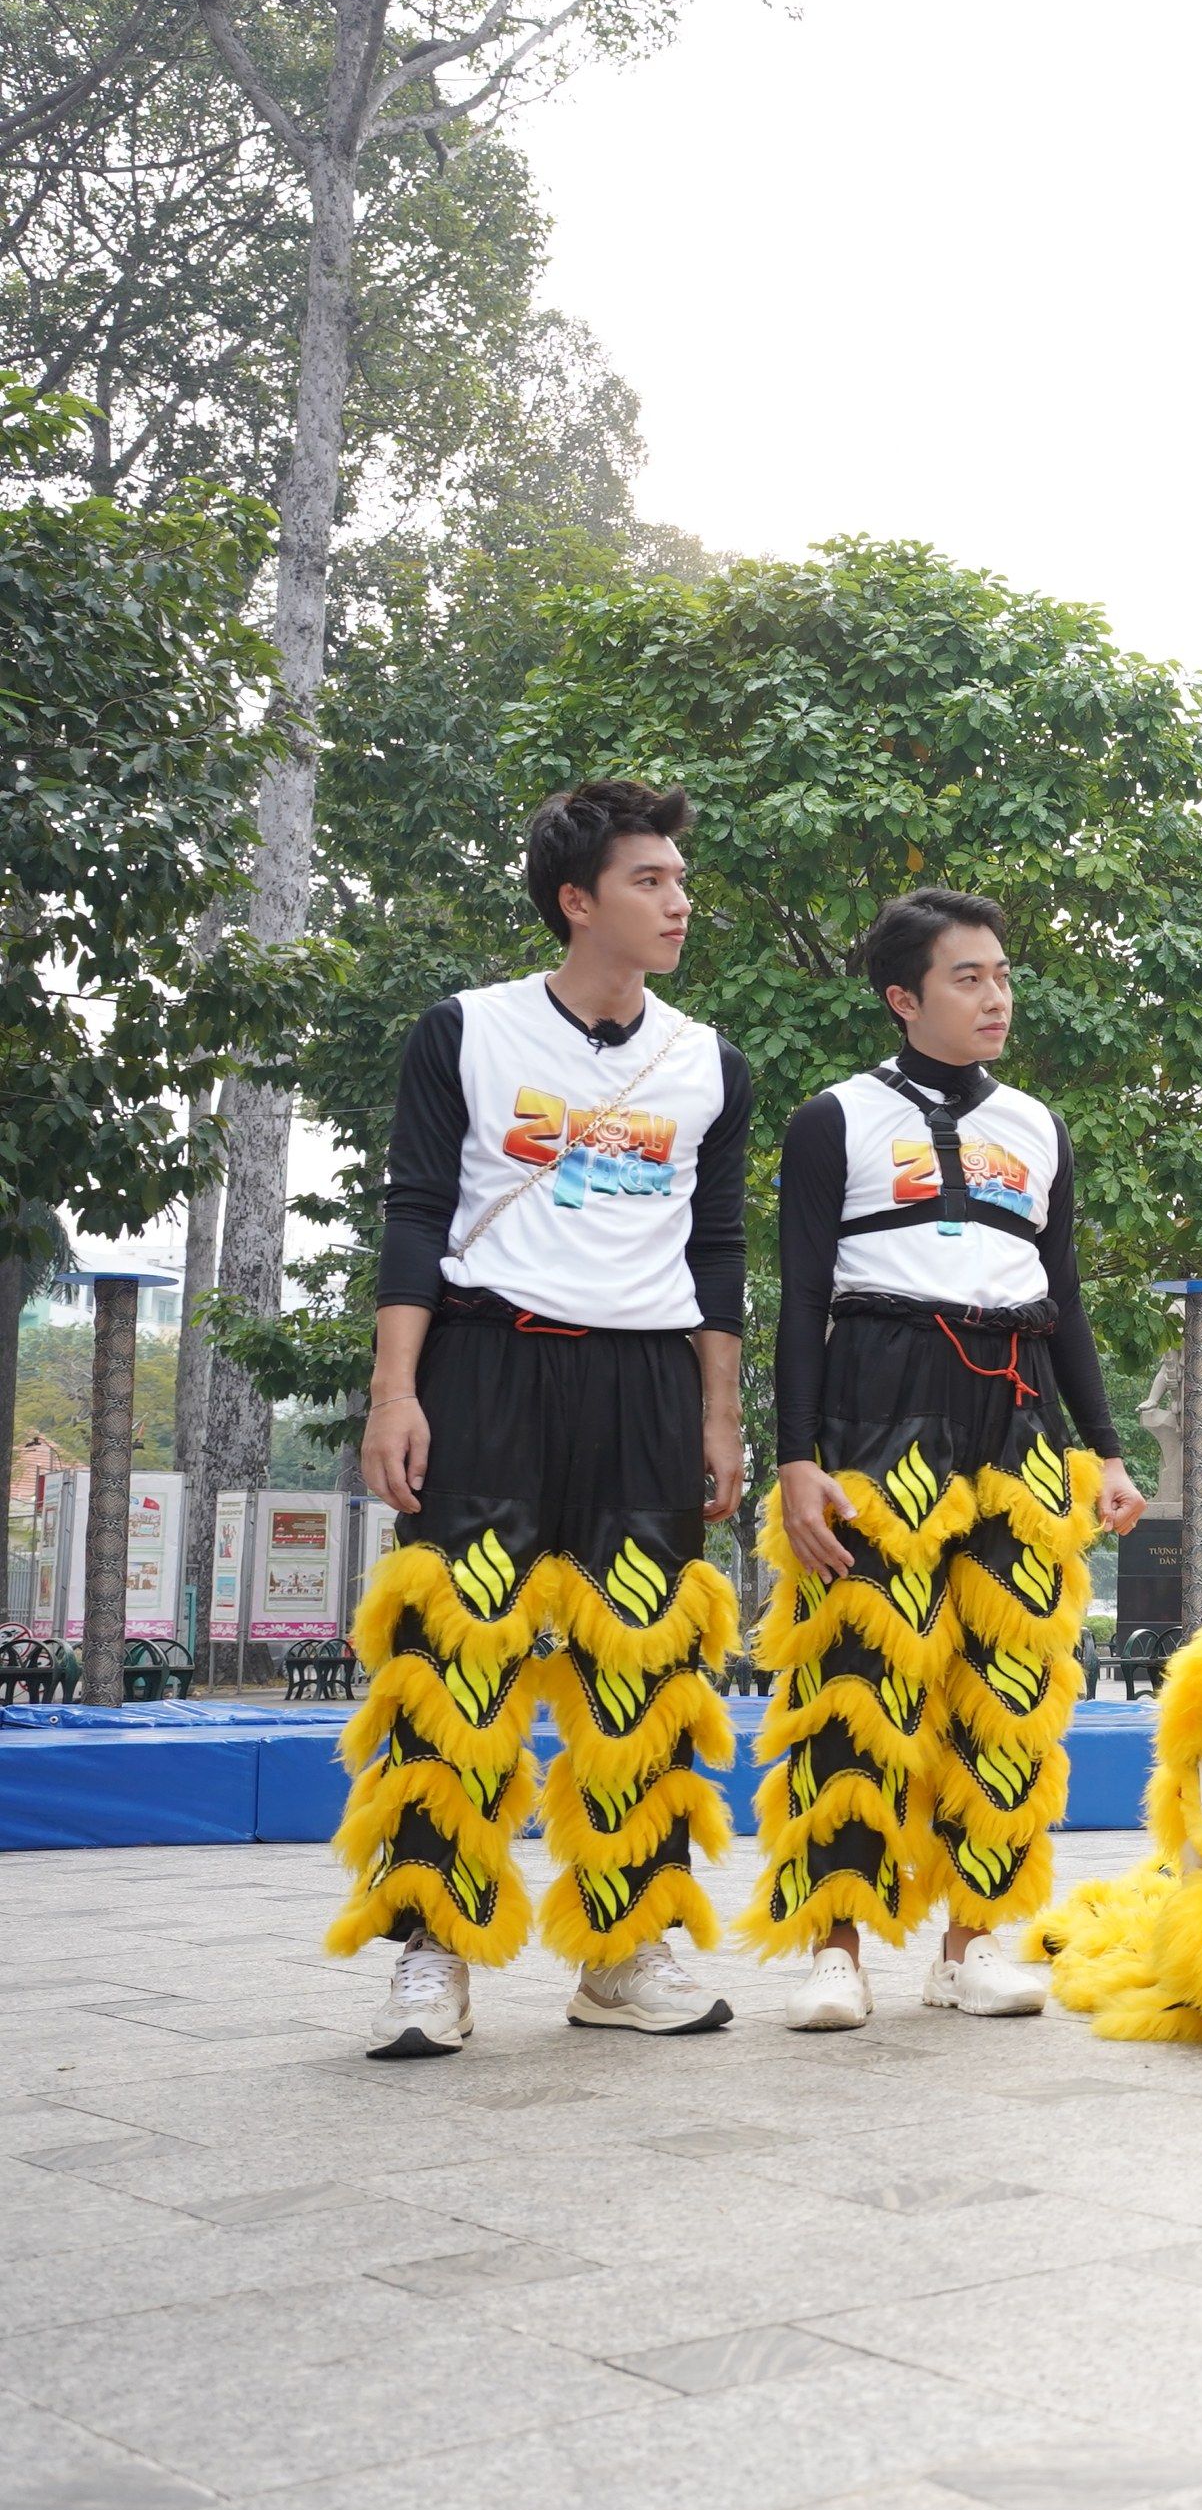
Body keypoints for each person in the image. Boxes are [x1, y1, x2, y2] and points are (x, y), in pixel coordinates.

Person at [339, 782, 754, 2059]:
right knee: (455, 1662)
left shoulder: (709, 1061)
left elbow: (718, 1244)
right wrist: (396, 1390)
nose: (679, 901)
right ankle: (432, 1950)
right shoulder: (464, 1030)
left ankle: (624, 1950)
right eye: (649, 880)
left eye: (681, 879)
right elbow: (414, 1212)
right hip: (486, 1366)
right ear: (578, 901)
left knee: (642, 1667)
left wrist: (721, 1410)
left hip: (644, 1385)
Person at [747, 889, 1149, 2031]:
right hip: (881, 1402)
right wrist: (797, 1458)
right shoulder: (833, 1118)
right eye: (968, 976)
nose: (996, 995)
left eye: (1003, 974)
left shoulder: (1038, 1124)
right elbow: (802, 1297)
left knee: (1009, 1687)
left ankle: (970, 1945)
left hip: (1016, 1416)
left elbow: (1064, 1299)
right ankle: (836, 1949)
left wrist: (1107, 1448)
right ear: (903, 996)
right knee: (856, 1682)